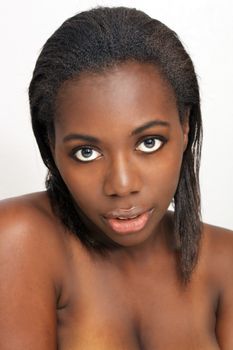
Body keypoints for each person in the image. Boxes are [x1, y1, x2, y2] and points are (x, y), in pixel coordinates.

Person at [0, 6, 232, 349]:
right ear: (51, 145)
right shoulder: (20, 239)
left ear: (185, 125)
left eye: (149, 142)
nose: (122, 185)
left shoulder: (225, 263)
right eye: (86, 152)